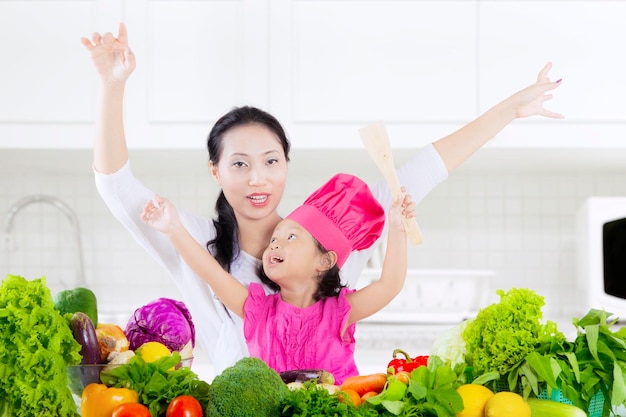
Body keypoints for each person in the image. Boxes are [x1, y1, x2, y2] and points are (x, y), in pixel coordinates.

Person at [81, 23, 563, 374]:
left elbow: (425, 169)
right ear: (215, 171)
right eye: (239, 163)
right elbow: (114, 185)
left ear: (287, 165)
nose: (258, 179)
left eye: (271, 161)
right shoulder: (197, 240)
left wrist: (513, 109)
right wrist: (112, 85)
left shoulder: (333, 229)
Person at [141, 173, 414, 383]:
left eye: (291, 237)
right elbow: (211, 272)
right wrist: (172, 228)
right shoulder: (259, 311)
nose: (274, 245)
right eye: (273, 239)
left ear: (324, 261)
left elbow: (389, 285)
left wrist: (398, 228)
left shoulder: (339, 311)